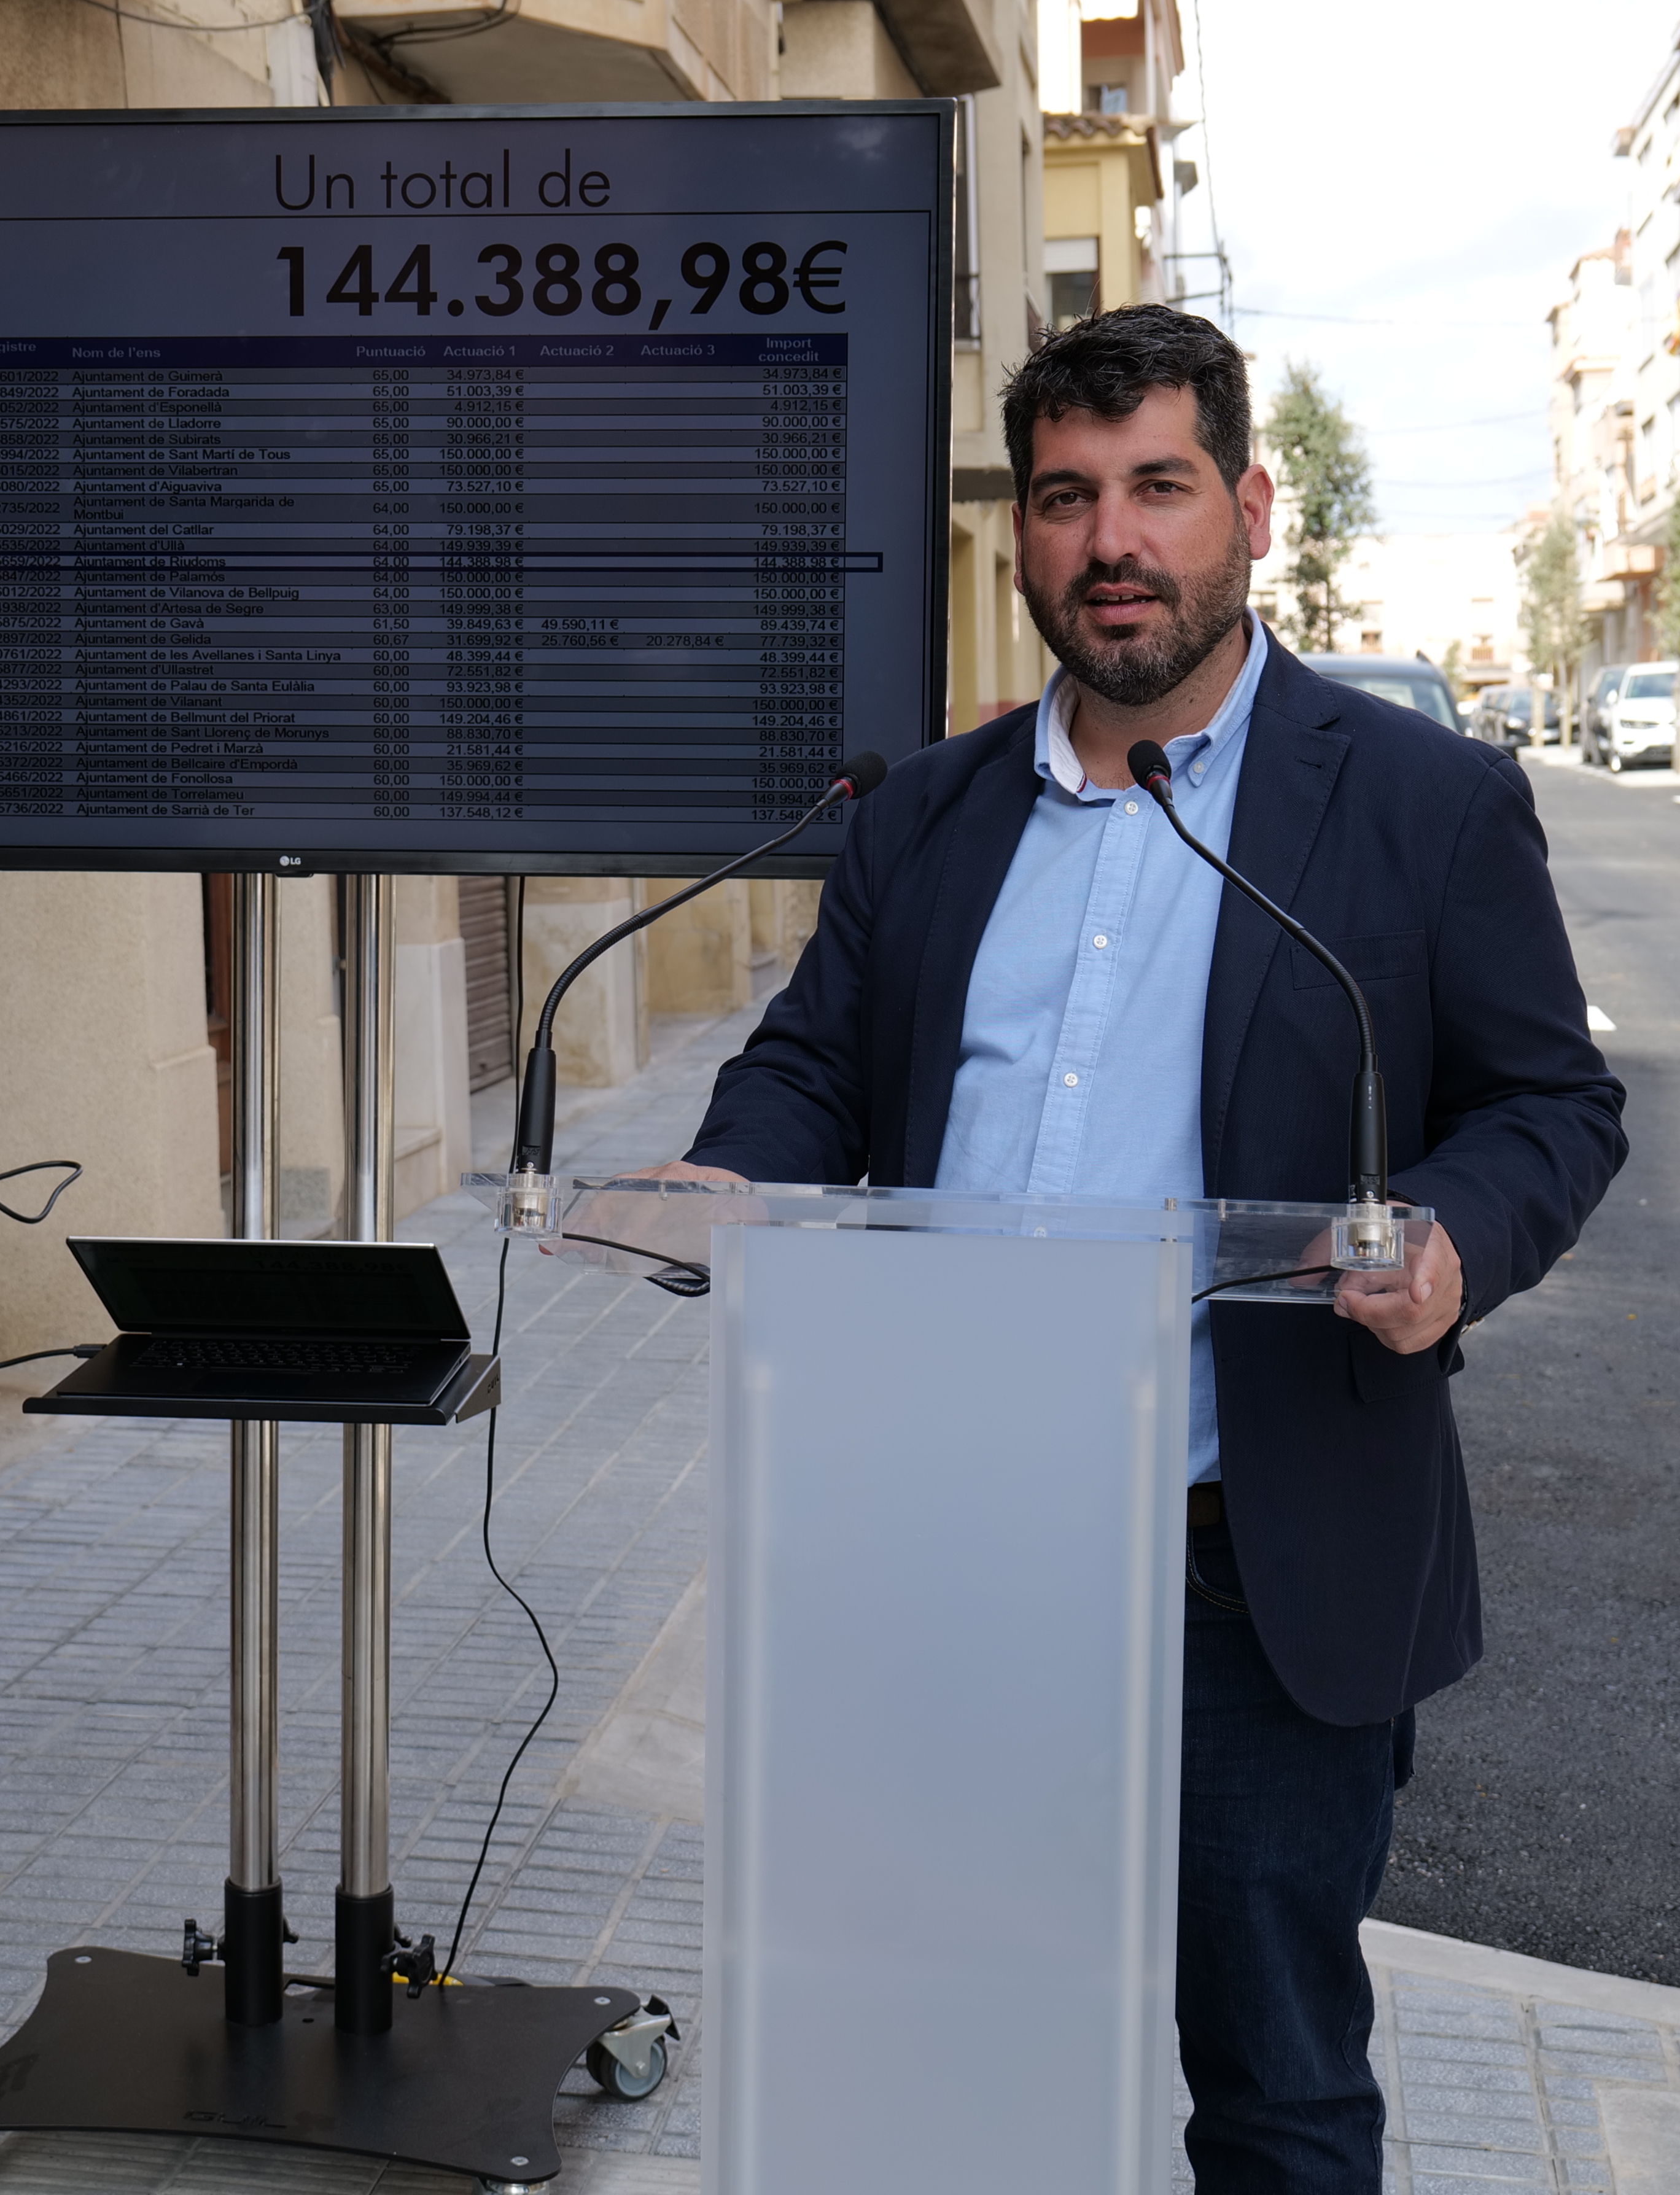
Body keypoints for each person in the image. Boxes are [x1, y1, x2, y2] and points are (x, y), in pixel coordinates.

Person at [653, 306, 1627, 2190]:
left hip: (1245, 1565)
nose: (1113, 541)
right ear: (1023, 534)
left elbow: (1550, 1104)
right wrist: (726, 1174)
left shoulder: (1420, 803)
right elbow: (814, 1068)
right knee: (953, 2068)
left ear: (1249, 511)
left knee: (1274, 2094)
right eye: (1065, 497)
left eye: (1158, 488)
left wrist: (1450, 1242)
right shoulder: (921, 815)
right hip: (951, 1553)